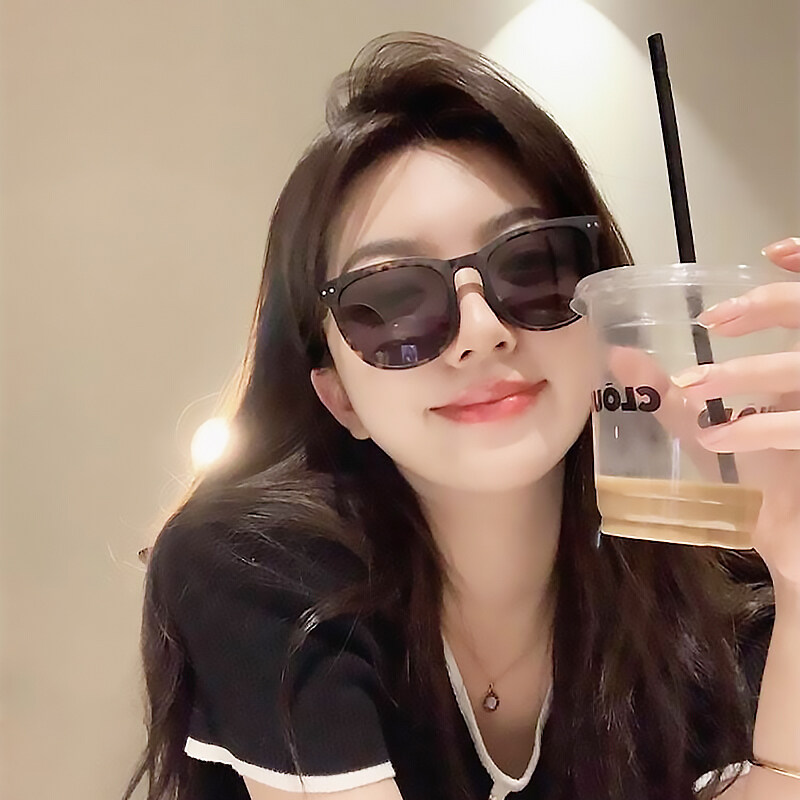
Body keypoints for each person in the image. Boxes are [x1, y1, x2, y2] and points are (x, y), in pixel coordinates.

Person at [122, 32, 800, 800]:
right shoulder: (258, 567)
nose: (482, 331)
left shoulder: (707, 589)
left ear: (603, 318)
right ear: (338, 395)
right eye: (394, 300)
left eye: (532, 266)